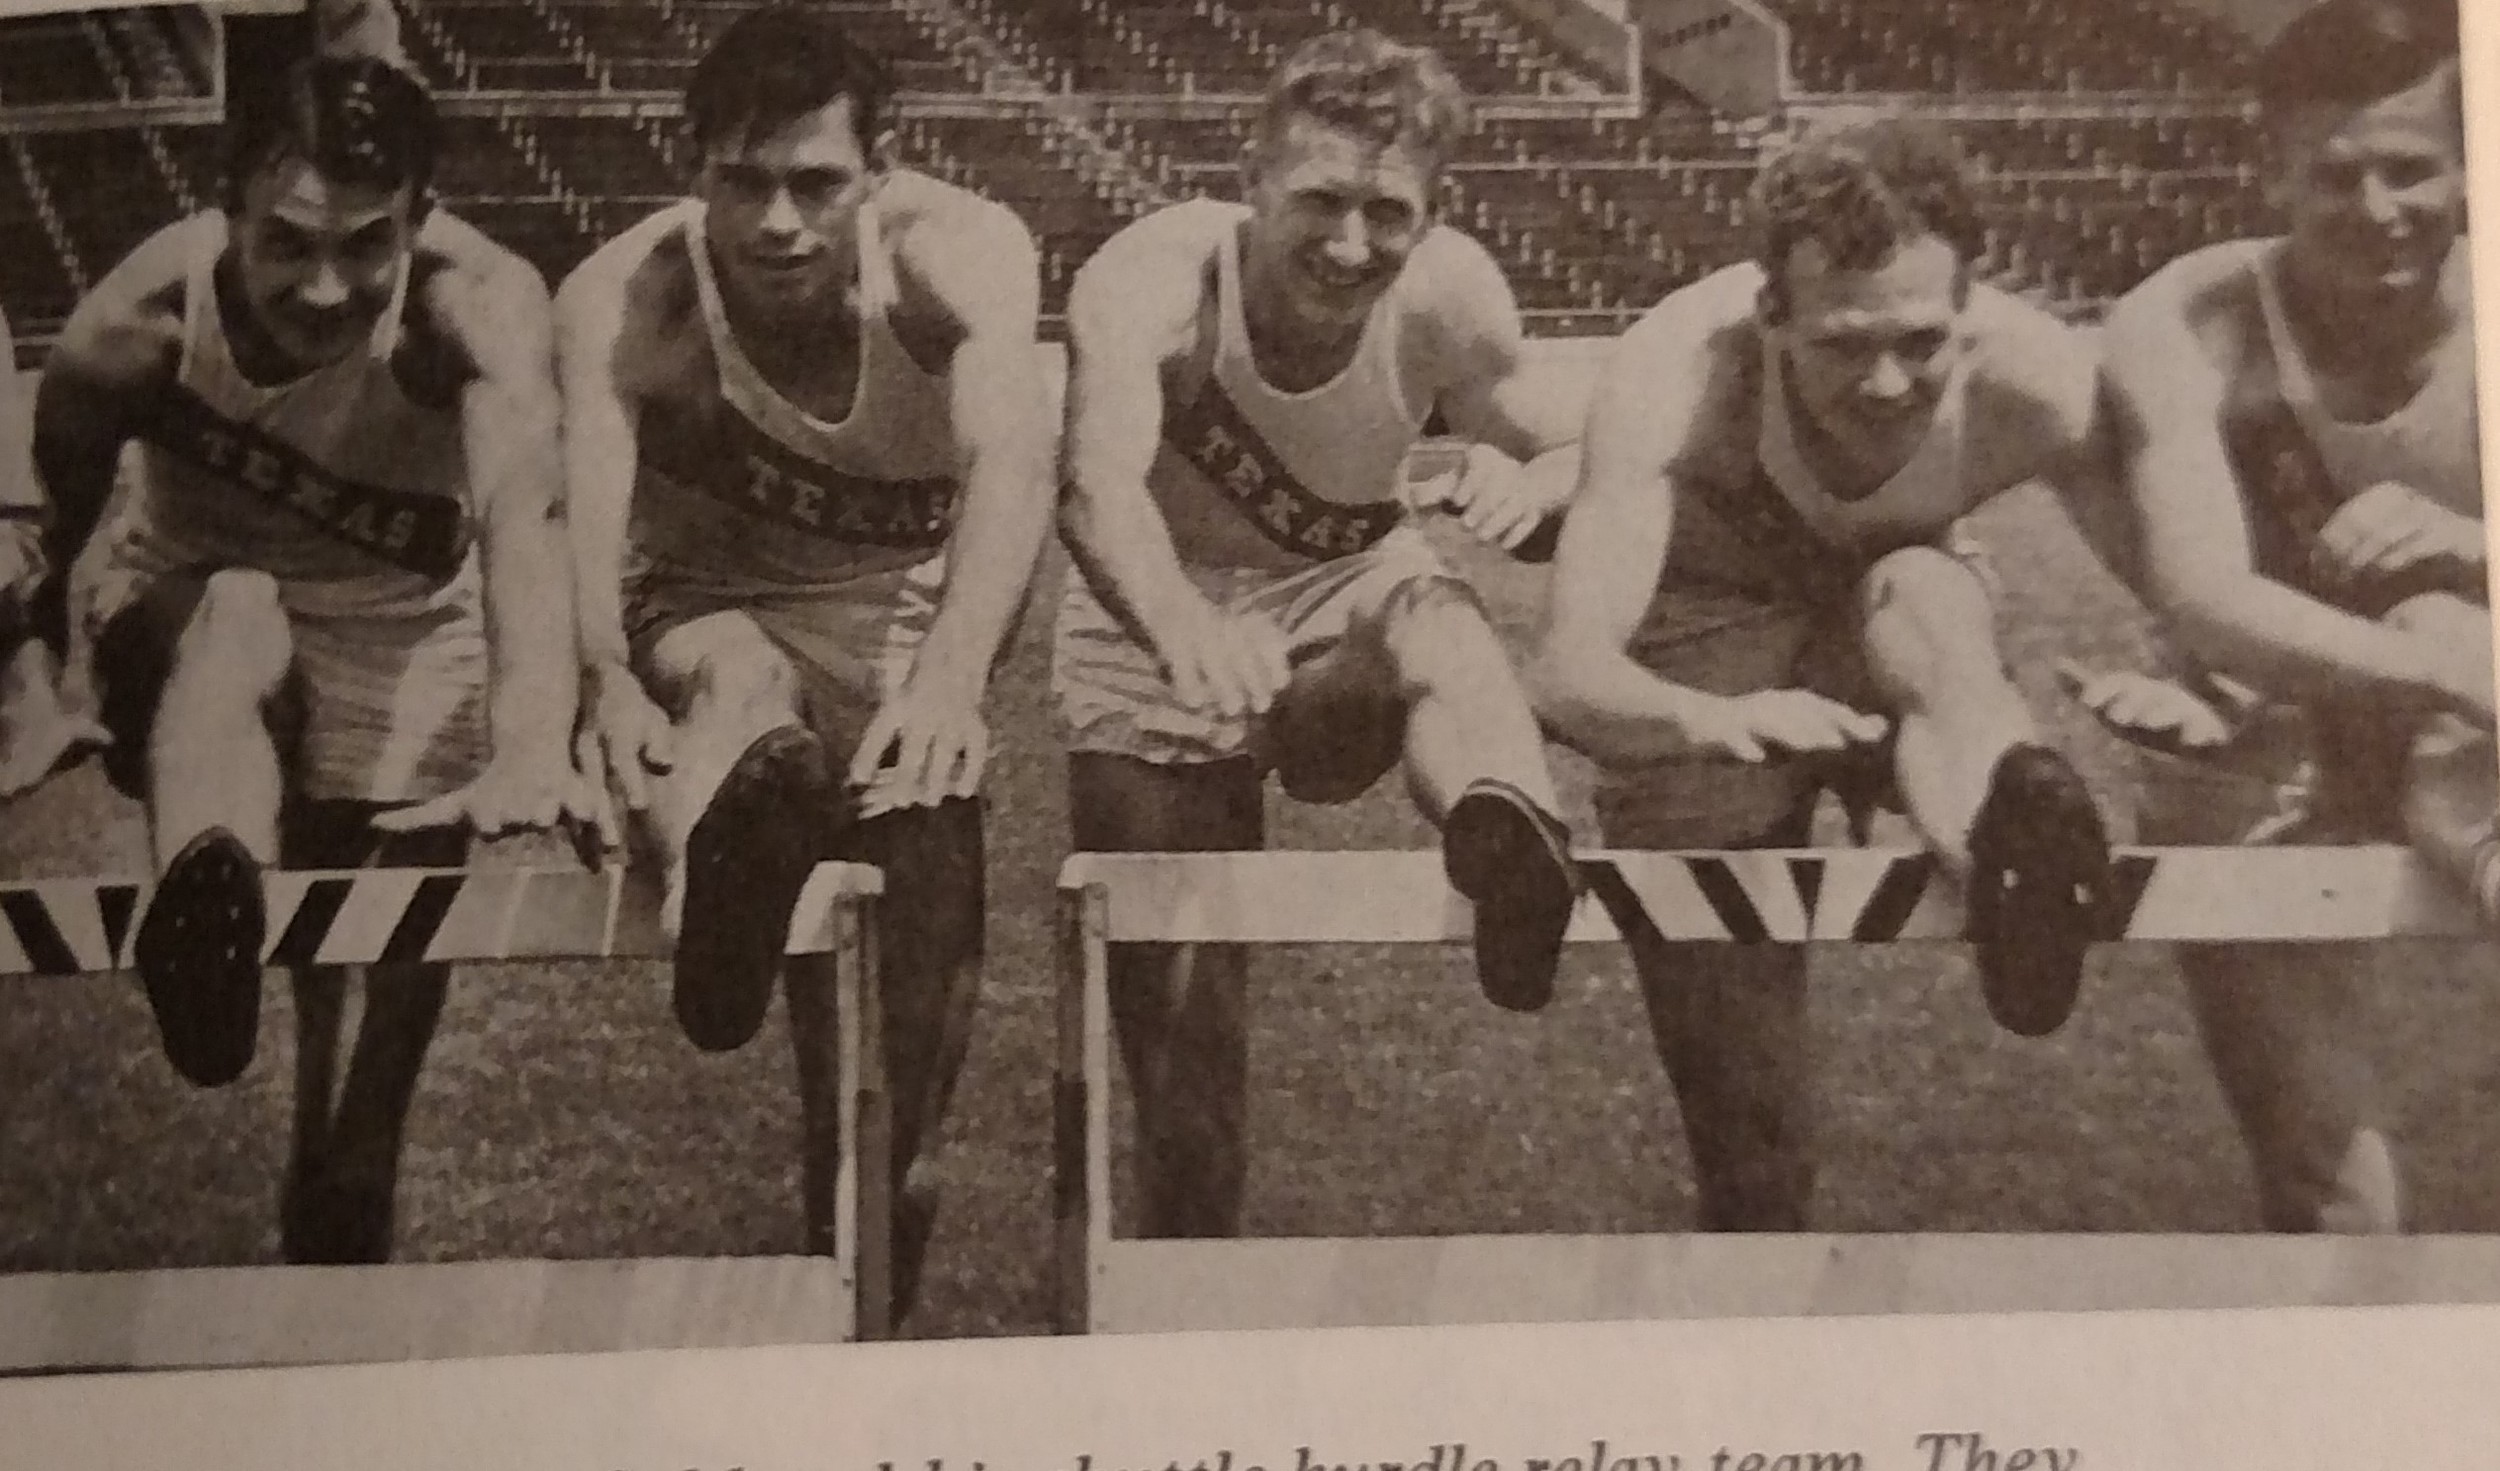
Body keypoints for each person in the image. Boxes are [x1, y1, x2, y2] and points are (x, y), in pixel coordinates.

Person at [22, 54, 593, 1261]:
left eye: (365, 246)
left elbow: (521, 517)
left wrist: (535, 736)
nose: (326, 288)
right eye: (285, 244)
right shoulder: (133, 325)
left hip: (402, 623)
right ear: (223, 206)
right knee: (238, 614)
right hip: (195, 622)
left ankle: (355, 1148)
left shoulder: (476, 303)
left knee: (379, 1010)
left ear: (421, 218)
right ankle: (206, 928)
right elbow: (57, 529)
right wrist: (46, 678)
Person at [1532, 115, 2129, 1230]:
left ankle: (2013, 856)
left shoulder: (2040, 378)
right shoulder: (1679, 370)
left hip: (1894, 620)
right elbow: (1570, 670)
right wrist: (1707, 721)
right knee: (1753, 1153)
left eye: (1920, 340)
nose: (1889, 381)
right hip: (1708, 652)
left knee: (1930, 599)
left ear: (1968, 308)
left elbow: (2178, 581)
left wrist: (2213, 680)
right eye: (1844, 343)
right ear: (1770, 315)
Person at [556, 4, 1054, 1308]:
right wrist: (600, 677)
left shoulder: (958, 259)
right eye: (743, 181)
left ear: (879, 175)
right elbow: (587, 512)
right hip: (711, 607)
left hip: (898, 654)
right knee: (741, 691)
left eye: (815, 185)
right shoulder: (632, 295)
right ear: (694, 164)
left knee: (900, 1128)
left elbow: (1014, 462)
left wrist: (951, 679)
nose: (778, 221)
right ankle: (716, 902)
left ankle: (859, 1350)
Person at [1056, 29, 1584, 1238]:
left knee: (1438, 621)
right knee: (1188, 1099)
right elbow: (1093, 483)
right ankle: (1184, 1342)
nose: (1351, 246)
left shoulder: (1448, 294)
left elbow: (1590, 431)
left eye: (1387, 212)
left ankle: (1515, 853)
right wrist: (1181, 627)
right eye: (1321, 202)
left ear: (1432, 213)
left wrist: (1541, 489)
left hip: (1345, 596)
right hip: (1158, 615)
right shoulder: (1154, 278)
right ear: (1250, 179)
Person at [2085, 0, 2490, 1233]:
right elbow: (2209, 602)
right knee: (2329, 1189)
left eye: (2411, 169)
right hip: (2259, 743)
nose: (2377, 210)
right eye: (2335, 175)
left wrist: (2478, 550)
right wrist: (2459, 672)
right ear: (2269, 172)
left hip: (2475, 745)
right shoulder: (2188, 323)